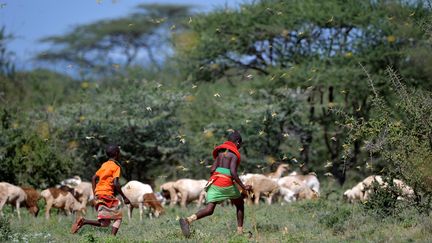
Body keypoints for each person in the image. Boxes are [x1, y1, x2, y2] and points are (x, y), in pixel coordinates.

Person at [179, 131, 252, 237]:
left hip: (214, 180)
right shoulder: (234, 155)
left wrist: (218, 177)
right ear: (237, 142)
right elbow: (233, 172)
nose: (240, 146)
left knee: (209, 210)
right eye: (240, 144)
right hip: (226, 182)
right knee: (240, 204)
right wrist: (243, 186)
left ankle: (188, 220)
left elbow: (212, 169)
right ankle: (240, 232)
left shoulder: (220, 153)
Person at [71, 144, 130, 236]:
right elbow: (116, 183)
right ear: (117, 154)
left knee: (104, 223)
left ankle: (84, 221)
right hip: (107, 195)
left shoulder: (104, 165)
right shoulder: (116, 167)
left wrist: (95, 194)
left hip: (99, 194)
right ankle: (112, 239)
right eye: (119, 153)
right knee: (118, 218)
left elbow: (94, 178)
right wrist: (124, 197)